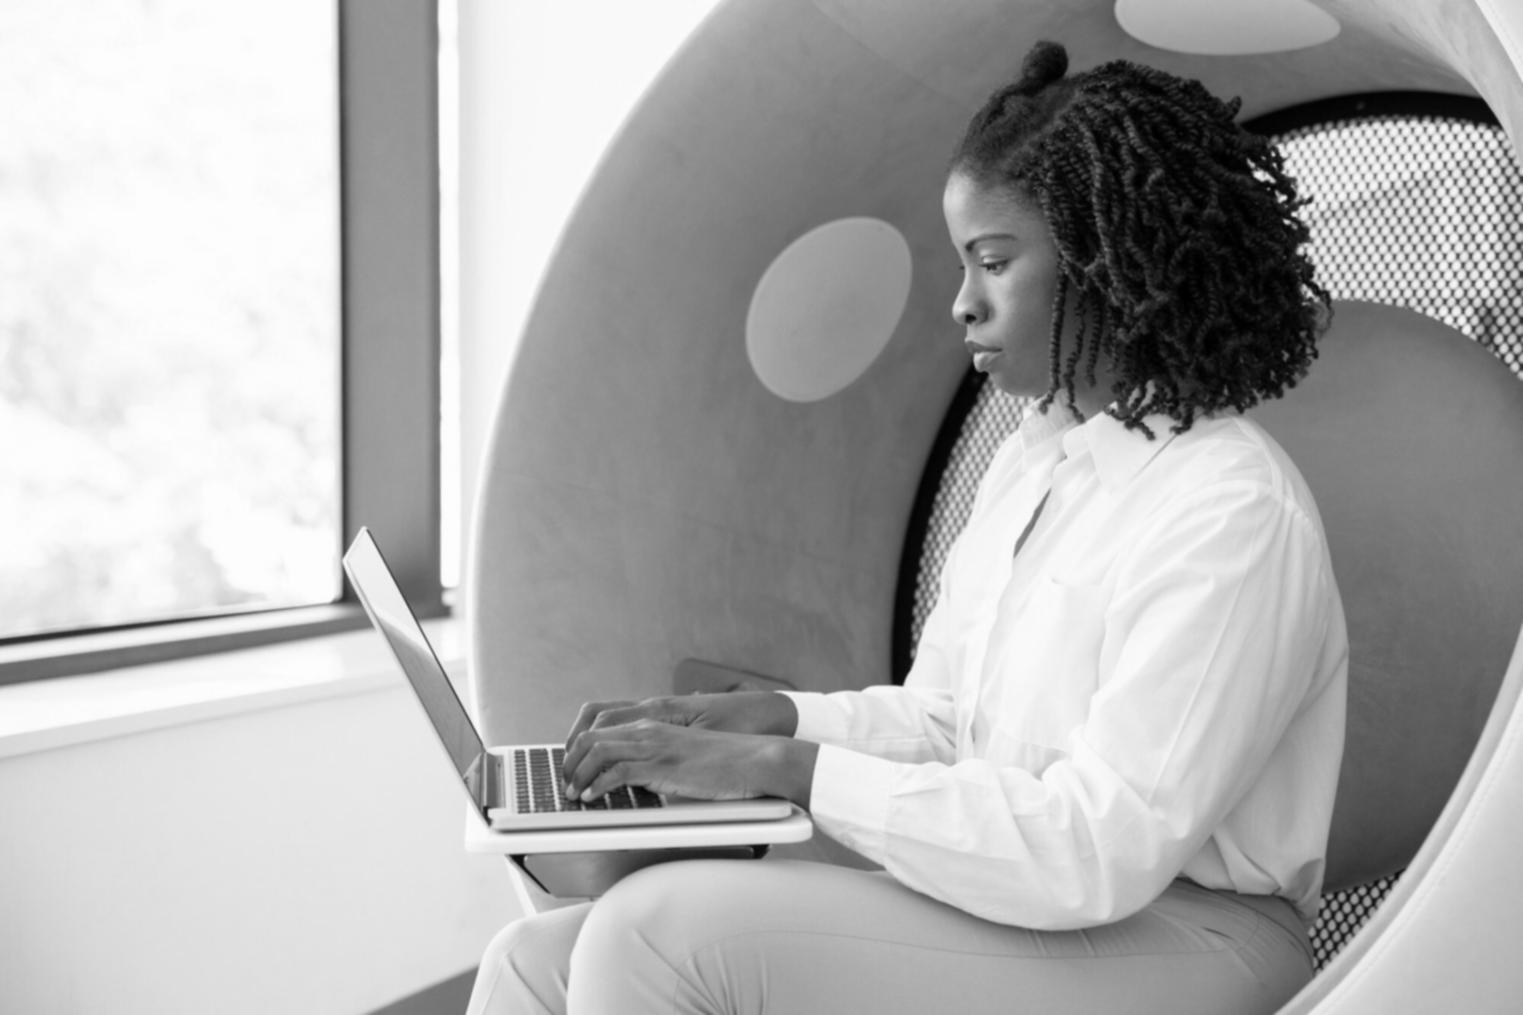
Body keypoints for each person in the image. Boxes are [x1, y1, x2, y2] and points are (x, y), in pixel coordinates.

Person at [467, 40, 1347, 1015]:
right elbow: (942, 723)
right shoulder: (1036, 460)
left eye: (994, 263)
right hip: (1044, 905)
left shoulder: (1226, 507)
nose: (961, 303)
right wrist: (777, 721)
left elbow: (1098, 848)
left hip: (1193, 934)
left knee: (652, 936)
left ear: (1105, 265)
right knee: (534, 956)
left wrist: (783, 772)